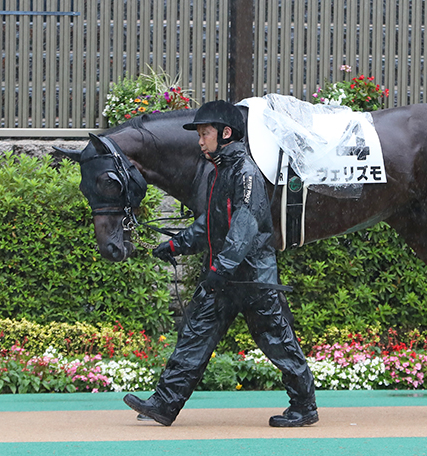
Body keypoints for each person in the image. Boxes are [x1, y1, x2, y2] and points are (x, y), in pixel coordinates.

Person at [123, 100, 318, 427]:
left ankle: (304, 406)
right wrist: (176, 244)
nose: (200, 141)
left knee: (277, 342)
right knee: (194, 336)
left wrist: (220, 269)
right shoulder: (220, 172)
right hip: (223, 279)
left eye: (205, 134)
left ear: (226, 133)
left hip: (253, 281)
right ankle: (164, 404)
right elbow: (210, 224)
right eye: (199, 135)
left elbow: (244, 227)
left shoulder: (246, 174)